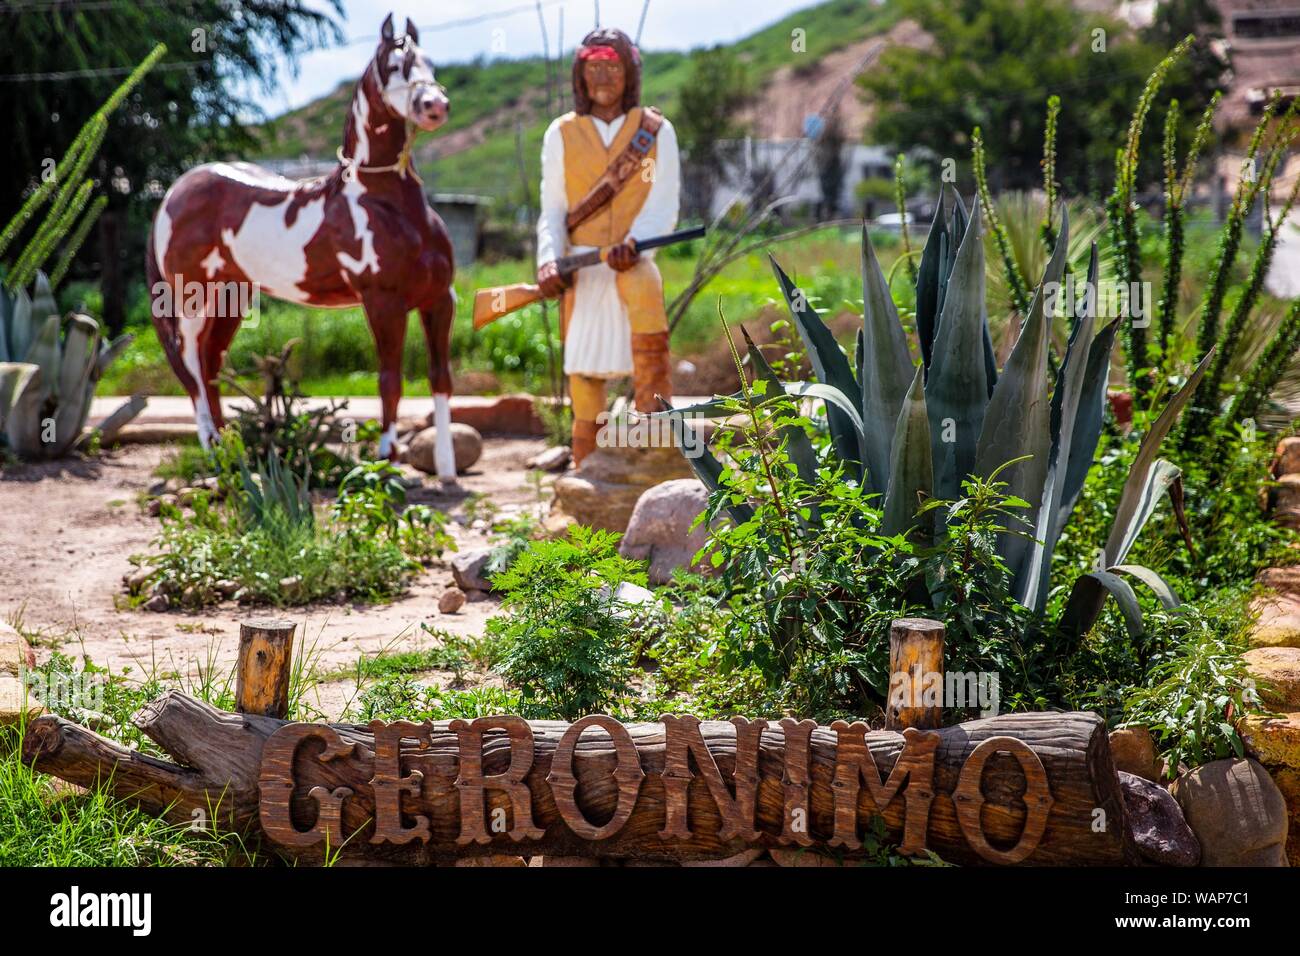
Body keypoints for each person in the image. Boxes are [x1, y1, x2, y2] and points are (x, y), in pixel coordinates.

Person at [536, 27, 681, 464]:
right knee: (582, 369)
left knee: (644, 295)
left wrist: (637, 246)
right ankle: (586, 463)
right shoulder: (560, 134)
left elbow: (662, 199)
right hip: (582, 267)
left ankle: (653, 433)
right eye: (593, 67)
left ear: (629, 74)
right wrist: (549, 261)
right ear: (580, 75)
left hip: (631, 261)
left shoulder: (655, 132)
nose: (602, 77)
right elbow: (553, 210)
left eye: (612, 67)